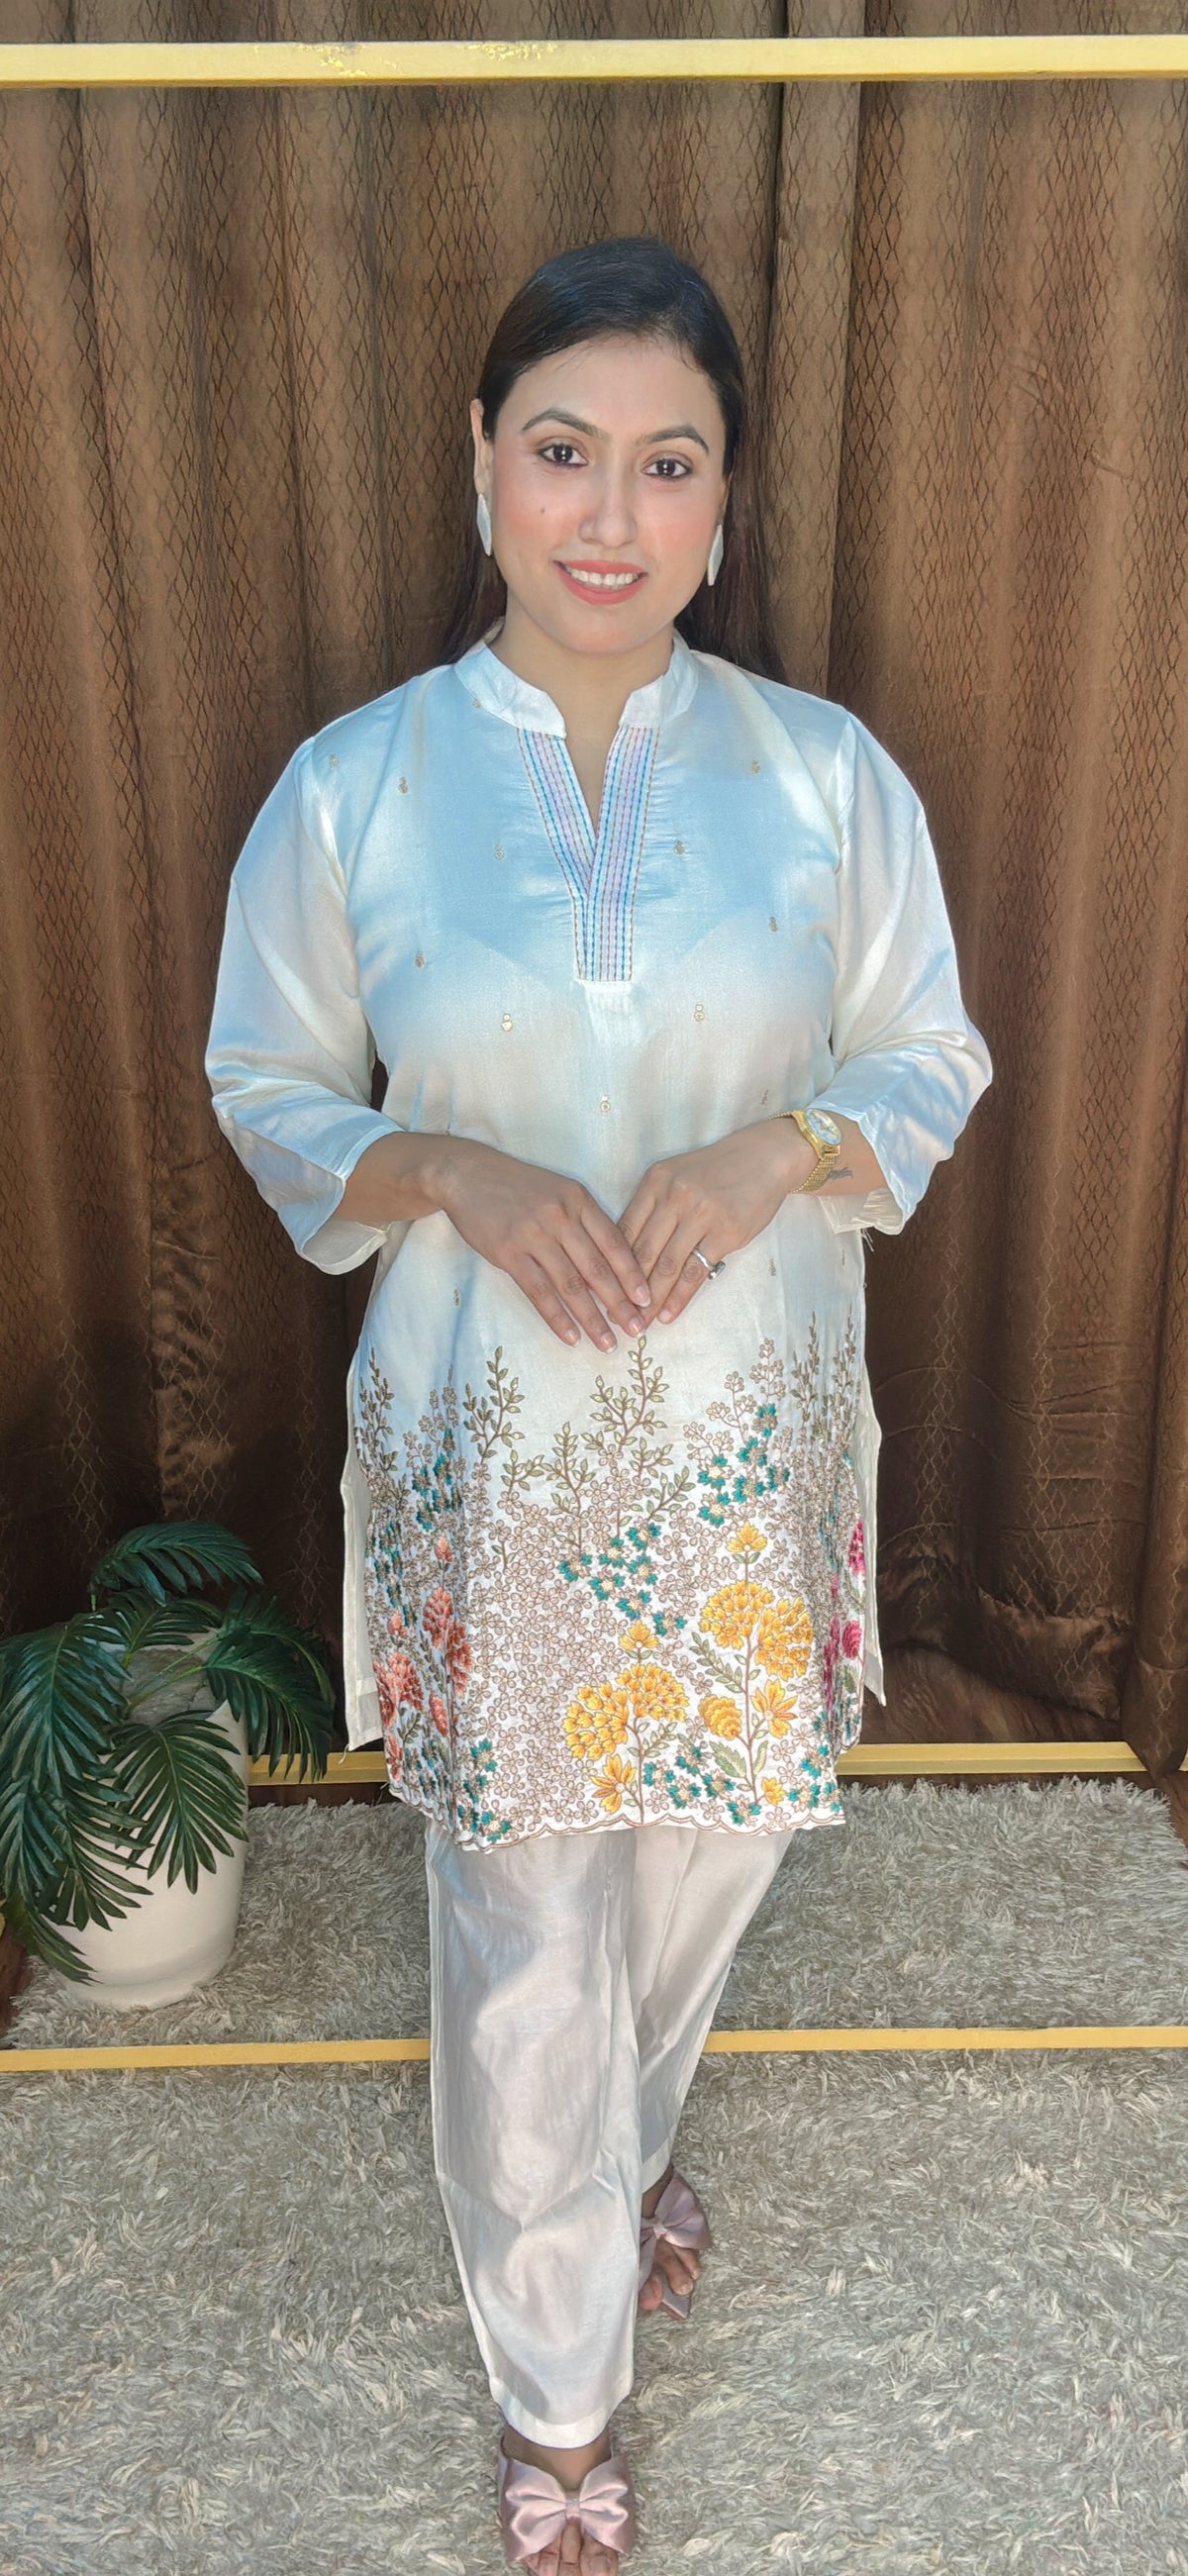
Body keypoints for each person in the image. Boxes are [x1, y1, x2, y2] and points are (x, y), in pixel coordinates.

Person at [205, 234, 993, 2572]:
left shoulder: (824, 779)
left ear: (727, 502)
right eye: (565, 451)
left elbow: (930, 1048)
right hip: (499, 1458)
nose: (611, 513)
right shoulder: (356, 791)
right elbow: (268, 1079)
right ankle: (558, 2386)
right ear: (482, 462)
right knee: (526, 1917)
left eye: (669, 462)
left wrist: (779, 1149)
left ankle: (618, 2146)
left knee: (707, 1854)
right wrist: (447, 1162)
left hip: (749, 1447)